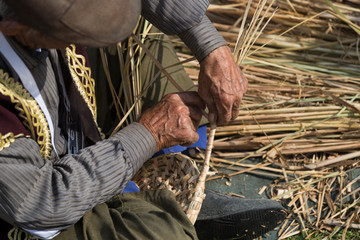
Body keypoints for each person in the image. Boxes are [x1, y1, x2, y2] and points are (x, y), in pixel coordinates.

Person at [0, 0, 285, 240]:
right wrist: (148, 134)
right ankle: (157, 208)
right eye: (68, 34)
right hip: (33, 207)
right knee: (162, 233)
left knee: (137, 27)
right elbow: (41, 203)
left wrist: (211, 48)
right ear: (15, 26)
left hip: (66, 131)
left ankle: (170, 178)